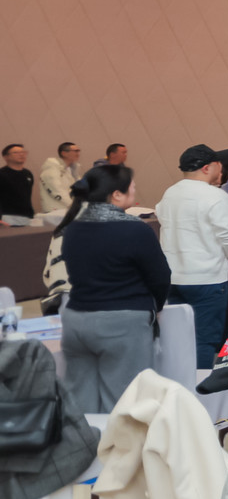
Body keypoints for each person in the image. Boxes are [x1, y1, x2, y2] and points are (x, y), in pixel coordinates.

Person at [54, 164, 168, 412]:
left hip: (76, 319)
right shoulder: (135, 229)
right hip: (122, 322)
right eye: (132, 186)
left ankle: (83, 439)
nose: (135, 190)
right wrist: (155, 308)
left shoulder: (73, 228)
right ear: (116, 194)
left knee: (80, 403)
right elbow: (160, 278)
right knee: (124, 404)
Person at [154, 144, 228, 367]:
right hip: (207, 278)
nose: (221, 171)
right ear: (207, 168)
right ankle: (199, 386)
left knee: (178, 338)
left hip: (174, 278)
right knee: (204, 339)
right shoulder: (216, 196)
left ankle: (180, 382)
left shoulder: (170, 193)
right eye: (218, 166)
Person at [36, 142, 83, 215]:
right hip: (55, 211)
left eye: (79, 151)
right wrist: (74, 206)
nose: (78, 153)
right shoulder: (51, 169)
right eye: (75, 151)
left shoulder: (71, 170)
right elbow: (56, 191)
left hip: (68, 210)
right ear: (64, 153)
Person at [0, 144, 36, 219]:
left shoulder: (27, 173)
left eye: (23, 152)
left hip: (28, 215)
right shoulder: (2, 174)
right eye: (16, 153)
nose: (21, 155)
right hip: (7, 216)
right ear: (6, 157)